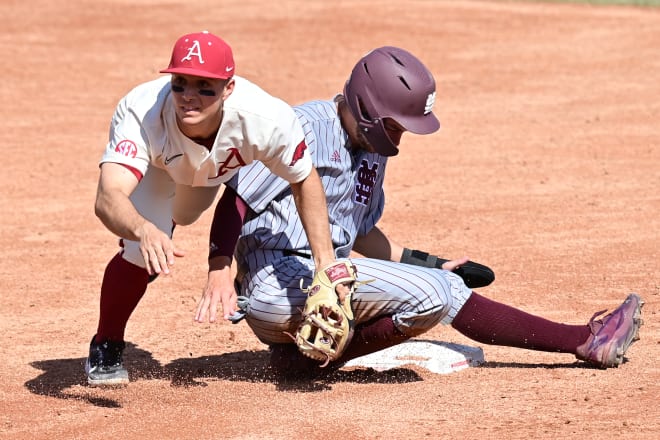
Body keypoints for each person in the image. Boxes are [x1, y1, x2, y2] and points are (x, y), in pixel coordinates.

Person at [194, 46, 644, 377]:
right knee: (439, 294)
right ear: (368, 109)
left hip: (323, 282)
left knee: (433, 285)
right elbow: (238, 196)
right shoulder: (303, 126)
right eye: (396, 126)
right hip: (277, 285)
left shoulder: (372, 148)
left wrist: (432, 263)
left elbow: (363, 234)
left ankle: (304, 359)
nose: (400, 138)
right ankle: (583, 340)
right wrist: (218, 269)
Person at [86, 31, 338, 386]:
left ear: (229, 88)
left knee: (185, 216)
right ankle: (106, 343)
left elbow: (303, 179)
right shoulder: (141, 112)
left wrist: (326, 264)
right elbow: (108, 197)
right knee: (138, 251)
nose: (189, 96)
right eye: (179, 83)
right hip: (157, 169)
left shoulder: (265, 118)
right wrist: (143, 228)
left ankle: (164, 225)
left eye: (205, 86)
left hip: (206, 179)